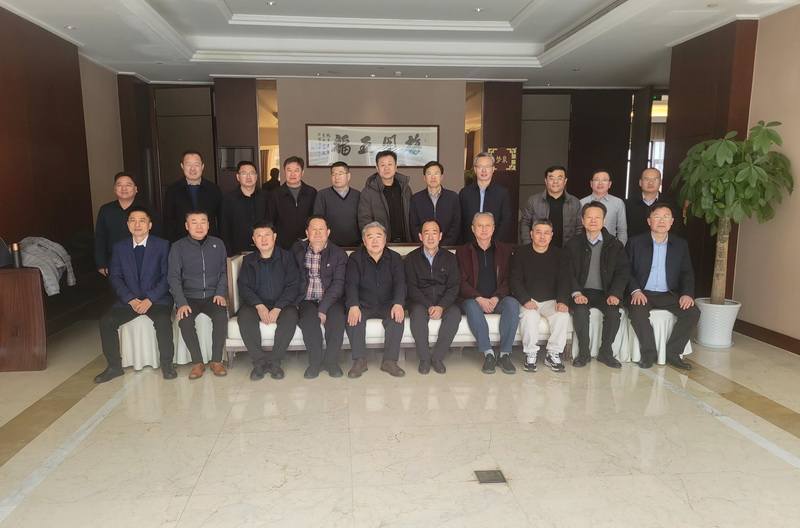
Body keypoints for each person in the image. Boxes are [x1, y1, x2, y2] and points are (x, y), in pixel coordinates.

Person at [94, 206, 175, 383]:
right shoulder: (119, 247)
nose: (137, 224)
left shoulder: (162, 245)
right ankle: (114, 367)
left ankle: (167, 364)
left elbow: (167, 277)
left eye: (142, 220)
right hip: (129, 300)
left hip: (157, 299)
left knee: (162, 321)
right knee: (106, 322)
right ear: (128, 224)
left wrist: (149, 299)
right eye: (133, 220)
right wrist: (130, 299)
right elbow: (115, 277)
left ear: (149, 225)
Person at [626, 202, 699, 370]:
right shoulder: (635, 242)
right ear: (649, 221)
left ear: (672, 221)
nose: (661, 221)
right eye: (657, 217)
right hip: (642, 292)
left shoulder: (680, 244)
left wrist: (687, 294)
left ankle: (673, 353)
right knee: (637, 313)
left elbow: (687, 272)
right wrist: (635, 290)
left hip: (669, 294)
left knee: (692, 312)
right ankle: (648, 353)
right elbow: (626, 270)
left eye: (666, 217)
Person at [564, 202, 630, 369]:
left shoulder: (615, 245)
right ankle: (583, 354)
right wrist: (576, 293)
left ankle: (606, 353)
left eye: (597, 217)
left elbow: (622, 272)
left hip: (606, 293)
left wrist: (615, 293)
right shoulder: (572, 244)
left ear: (604, 220)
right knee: (580, 311)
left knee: (614, 313)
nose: (593, 221)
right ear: (582, 220)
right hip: (581, 292)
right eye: (589, 217)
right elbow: (567, 272)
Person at [237, 221, 301, 381]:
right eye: (259, 236)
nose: (263, 239)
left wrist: (278, 307)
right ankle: (259, 362)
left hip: (283, 304)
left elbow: (293, 286)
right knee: (244, 317)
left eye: (267, 235)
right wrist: (259, 306)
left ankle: (275, 362)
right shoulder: (248, 260)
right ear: (254, 239)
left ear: (274, 237)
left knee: (291, 317)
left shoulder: (287, 257)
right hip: (256, 304)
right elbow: (244, 287)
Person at [457, 212, 519, 374]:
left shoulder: (505, 250)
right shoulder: (463, 251)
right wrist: (479, 298)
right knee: (471, 305)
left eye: (487, 226)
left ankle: (505, 354)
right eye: (480, 226)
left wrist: (496, 297)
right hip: (473, 299)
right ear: (473, 229)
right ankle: (488, 353)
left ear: (493, 228)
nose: (484, 229)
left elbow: (509, 279)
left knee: (512, 304)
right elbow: (461, 281)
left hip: (497, 300)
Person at [168, 211, 228, 379]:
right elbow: (173, 277)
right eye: (194, 222)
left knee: (221, 317)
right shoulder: (178, 247)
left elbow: (224, 271)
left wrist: (220, 292)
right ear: (187, 226)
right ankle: (197, 363)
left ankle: (216, 361)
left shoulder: (218, 244)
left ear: (208, 225)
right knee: (185, 321)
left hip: (212, 295)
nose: (199, 226)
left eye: (203, 222)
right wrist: (181, 302)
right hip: (189, 297)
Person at [345, 222, 407, 378]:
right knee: (354, 320)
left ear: (384, 240)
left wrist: (398, 303)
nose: (374, 241)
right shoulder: (355, 258)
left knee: (396, 319)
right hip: (363, 303)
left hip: (387, 303)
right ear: (364, 241)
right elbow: (351, 284)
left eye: (378, 236)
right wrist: (353, 305)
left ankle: (389, 361)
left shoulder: (395, 258)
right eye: (370, 237)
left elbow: (401, 283)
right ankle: (360, 361)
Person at [510, 219, 571, 373]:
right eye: (538, 232)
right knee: (530, 316)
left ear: (551, 235)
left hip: (551, 300)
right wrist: (525, 300)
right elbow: (514, 280)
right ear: (531, 234)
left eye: (546, 233)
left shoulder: (559, 254)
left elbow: (564, 280)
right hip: (528, 299)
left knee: (562, 316)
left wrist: (562, 301)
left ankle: (553, 354)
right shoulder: (520, 253)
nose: (542, 236)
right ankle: (530, 354)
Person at [292, 215, 348, 379]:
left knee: (337, 320)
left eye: (321, 229)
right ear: (307, 233)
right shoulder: (297, 250)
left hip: (332, 299)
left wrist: (323, 308)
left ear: (328, 232)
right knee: (309, 322)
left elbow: (339, 283)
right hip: (306, 299)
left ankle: (331, 362)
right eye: (313, 229)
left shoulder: (339, 254)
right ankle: (315, 363)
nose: (317, 233)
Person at [405, 220, 461, 374]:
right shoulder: (411, 258)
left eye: (434, 233)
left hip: (444, 301)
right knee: (417, 314)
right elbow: (411, 287)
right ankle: (424, 358)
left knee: (455, 314)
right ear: (420, 236)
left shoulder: (450, 258)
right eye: (426, 233)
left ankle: (437, 358)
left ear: (440, 236)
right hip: (420, 301)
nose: (430, 237)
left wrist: (441, 306)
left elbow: (454, 286)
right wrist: (429, 305)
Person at [94, 172, 160, 275]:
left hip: (142, 260)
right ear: (115, 189)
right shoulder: (105, 210)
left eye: (128, 185)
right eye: (119, 185)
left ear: (136, 189)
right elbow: (100, 237)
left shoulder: (147, 209)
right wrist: (101, 263)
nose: (124, 188)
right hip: (114, 261)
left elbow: (157, 235)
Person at [162, 150, 222, 242]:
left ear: (202, 166)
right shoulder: (172, 190)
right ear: (182, 166)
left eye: (196, 165)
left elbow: (221, 219)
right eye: (189, 165)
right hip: (182, 241)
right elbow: (168, 221)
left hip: (209, 241)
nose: (192, 169)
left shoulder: (214, 189)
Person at [519, 165, 581, 248]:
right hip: (539, 249)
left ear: (565, 181)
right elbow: (525, 223)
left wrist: (575, 247)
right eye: (551, 178)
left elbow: (579, 227)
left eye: (559, 178)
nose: (555, 181)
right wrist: (528, 245)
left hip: (566, 249)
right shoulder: (533, 201)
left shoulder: (575, 202)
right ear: (546, 181)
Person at [357, 150, 412, 243]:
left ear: (395, 167)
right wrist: (375, 240)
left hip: (405, 242)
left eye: (390, 164)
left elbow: (412, 216)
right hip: (380, 244)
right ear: (377, 168)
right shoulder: (368, 192)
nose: (386, 168)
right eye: (382, 165)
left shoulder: (405, 189)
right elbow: (364, 219)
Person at [220, 161, 271, 256]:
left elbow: (271, 223)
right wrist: (228, 254)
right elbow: (224, 229)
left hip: (264, 250)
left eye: (252, 173)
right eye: (244, 173)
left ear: (256, 176)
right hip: (237, 251)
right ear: (238, 177)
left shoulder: (267, 197)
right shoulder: (228, 199)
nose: (248, 177)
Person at [459, 152, 513, 243]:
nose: (484, 171)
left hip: (494, 244)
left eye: (487, 167)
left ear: (493, 169)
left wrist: (496, 243)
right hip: (469, 244)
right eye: (480, 167)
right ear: (475, 169)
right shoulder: (465, 193)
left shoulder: (502, 193)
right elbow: (460, 221)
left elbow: (506, 221)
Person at [269, 156, 317, 249]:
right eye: (289, 170)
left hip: (307, 244)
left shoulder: (311, 192)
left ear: (302, 172)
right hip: (282, 245)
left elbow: (315, 218)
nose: (292, 174)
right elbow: (271, 221)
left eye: (296, 170)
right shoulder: (275, 194)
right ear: (284, 172)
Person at [409, 161, 461, 246]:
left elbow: (456, 225)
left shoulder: (453, 197)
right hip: (424, 247)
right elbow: (414, 226)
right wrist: (425, 244)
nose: (433, 177)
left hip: (447, 247)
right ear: (424, 177)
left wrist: (444, 245)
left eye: (436, 173)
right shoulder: (416, 198)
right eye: (429, 174)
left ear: (442, 176)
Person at [313, 162, 362, 247]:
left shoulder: (358, 195)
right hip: (330, 246)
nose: (337, 177)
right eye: (334, 174)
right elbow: (318, 219)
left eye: (340, 174)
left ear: (348, 176)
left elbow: (363, 219)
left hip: (355, 245)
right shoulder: (322, 195)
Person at [625, 168, 683, 238]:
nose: (650, 183)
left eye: (655, 179)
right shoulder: (628, 204)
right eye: (646, 179)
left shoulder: (671, 203)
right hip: (634, 244)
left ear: (660, 182)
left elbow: (675, 228)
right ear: (640, 182)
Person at [579, 169, 628, 244]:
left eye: (604, 180)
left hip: (611, 245)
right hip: (586, 245)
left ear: (610, 184)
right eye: (597, 180)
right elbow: (578, 228)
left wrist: (620, 248)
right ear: (591, 183)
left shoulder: (618, 203)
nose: (600, 183)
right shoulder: (581, 203)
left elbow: (622, 230)